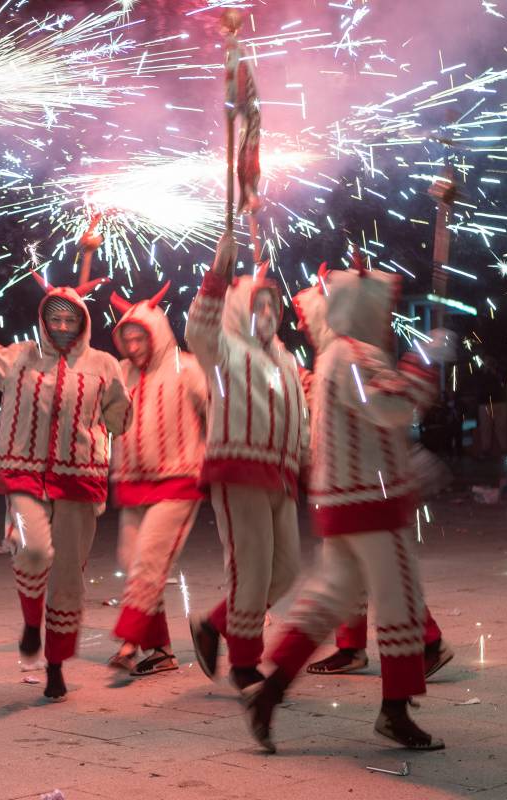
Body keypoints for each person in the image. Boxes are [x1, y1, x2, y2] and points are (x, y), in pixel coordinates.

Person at [244, 267, 454, 753]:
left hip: (344, 500)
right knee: (400, 601)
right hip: (371, 502)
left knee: (330, 598)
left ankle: (268, 692)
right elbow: (391, 409)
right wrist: (424, 364)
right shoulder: (356, 353)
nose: (386, 318)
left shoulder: (336, 353)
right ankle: (395, 710)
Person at [0, 271, 130, 702]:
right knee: (34, 550)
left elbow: (120, 416)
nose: (62, 327)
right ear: (42, 320)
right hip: (21, 471)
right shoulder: (18, 358)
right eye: (54, 319)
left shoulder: (104, 365)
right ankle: (29, 620)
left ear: (82, 322)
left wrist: (122, 418)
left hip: (79, 478)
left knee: (68, 577)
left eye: (70, 320)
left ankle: (56, 664)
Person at [292, 267, 454, 680]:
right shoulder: (341, 355)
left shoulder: (345, 353)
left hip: (358, 490)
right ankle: (361, 652)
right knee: (376, 578)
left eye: (303, 317)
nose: (299, 324)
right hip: (353, 489)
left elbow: (387, 410)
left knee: (383, 581)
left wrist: (421, 364)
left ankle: (416, 648)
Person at [185, 231, 309, 693]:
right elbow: (199, 327)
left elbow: (301, 415)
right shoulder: (223, 349)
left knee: (287, 570)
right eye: (258, 306)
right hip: (237, 470)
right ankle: (243, 663)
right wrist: (220, 272)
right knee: (251, 568)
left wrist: (306, 457)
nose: (268, 315)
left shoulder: (286, 359)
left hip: (281, 476)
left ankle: (215, 624)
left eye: (273, 307)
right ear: (239, 309)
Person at [107, 283, 208, 677]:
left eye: (139, 337)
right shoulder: (121, 372)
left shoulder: (188, 368)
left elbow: (218, 408)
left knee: (149, 560)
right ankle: (161, 652)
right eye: (126, 338)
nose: (132, 345)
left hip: (179, 480)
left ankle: (129, 643)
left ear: (158, 333)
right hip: (133, 482)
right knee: (131, 563)